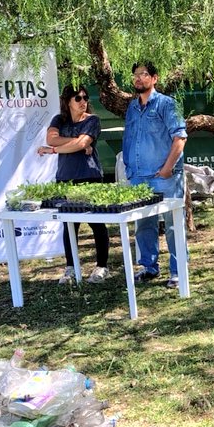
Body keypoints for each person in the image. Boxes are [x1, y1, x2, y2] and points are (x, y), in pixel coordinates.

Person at [123, 61, 189, 289]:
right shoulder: (132, 108)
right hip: (139, 177)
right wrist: (129, 168)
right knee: (143, 225)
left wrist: (168, 168)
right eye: (135, 75)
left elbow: (180, 138)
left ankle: (178, 271)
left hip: (165, 177)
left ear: (154, 78)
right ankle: (149, 267)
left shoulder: (167, 104)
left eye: (143, 74)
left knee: (173, 224)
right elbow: (130, 137)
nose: (138, 78)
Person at [36, 84, 109, 284]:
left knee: (96, 222)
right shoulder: (59, 120)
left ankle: (102, 266)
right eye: (78, 98)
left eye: (85, 98)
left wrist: (54, 150)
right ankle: (71, 267)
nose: (83, 102)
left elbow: (80, 144)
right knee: (69, 224)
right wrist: (76, 141)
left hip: (90, 176)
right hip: (65, 178)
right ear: (68, 101)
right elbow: (51, 138)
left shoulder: (93, 120)